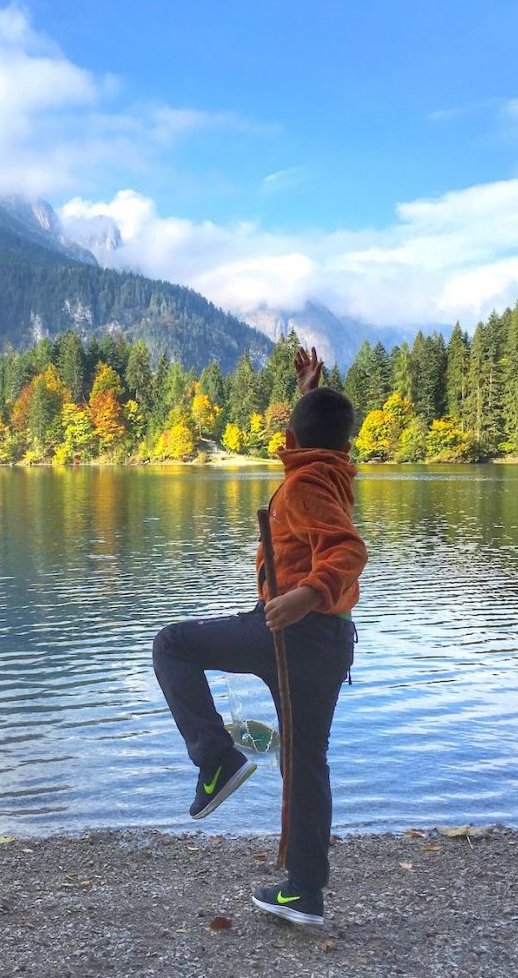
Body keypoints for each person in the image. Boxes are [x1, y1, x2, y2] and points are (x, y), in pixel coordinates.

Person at [152, 347, 368, 926]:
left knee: (172, 644)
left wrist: (303, 594)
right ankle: (304, 892)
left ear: (295, 437)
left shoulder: (303, 487)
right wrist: (309, 392)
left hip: (291, 631)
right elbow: (320, 440)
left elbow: (348, 550)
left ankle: (218, 760)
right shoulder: (330, 473)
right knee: (304, 762)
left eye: (290, 429)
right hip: (328, 641)